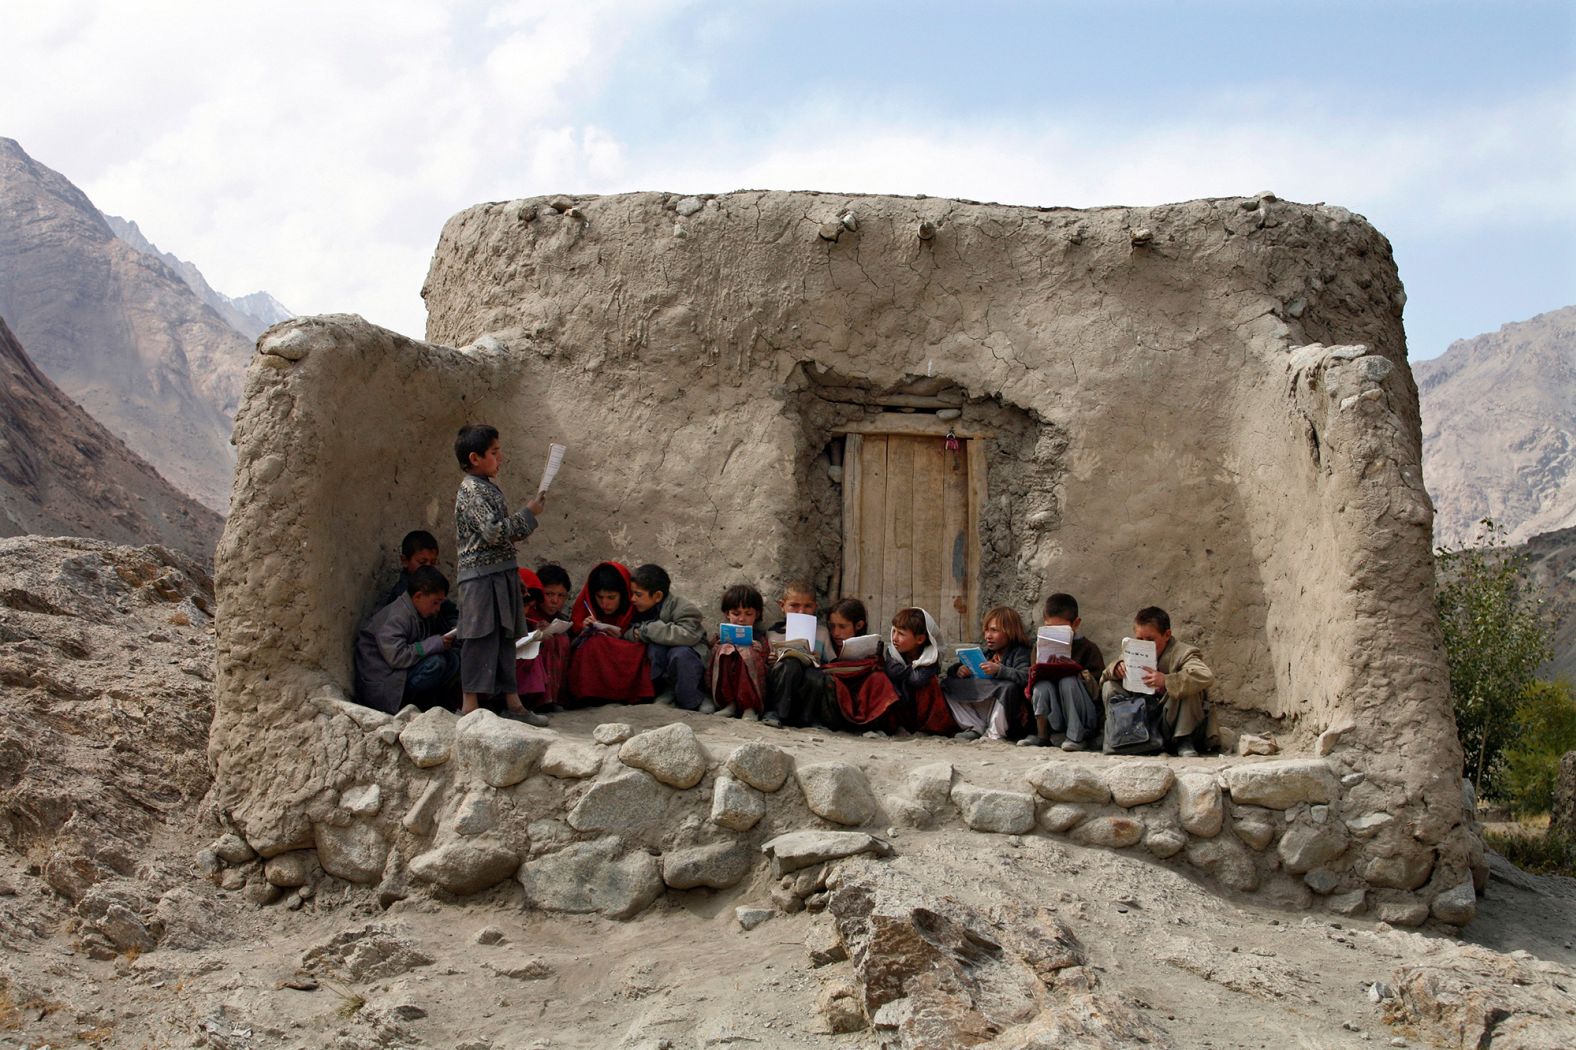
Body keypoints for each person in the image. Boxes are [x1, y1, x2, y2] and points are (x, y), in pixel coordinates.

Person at [452, 423, 548, 724]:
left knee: (506, 636)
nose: (500, 457)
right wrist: (528, 514)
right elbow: (494, 533)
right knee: (478, 637)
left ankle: (513, 703)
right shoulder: (471, 490)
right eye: (494, 452)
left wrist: (512, 574)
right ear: (475, 457)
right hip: (479, 578)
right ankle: (469, 706)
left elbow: (498, 540)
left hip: (498, 574)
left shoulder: (487, 487)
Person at [1101, 606, 1215, 757]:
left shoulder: (1183, 652)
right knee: (1110, 686)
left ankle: (1183, 739)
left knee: (1190, 687)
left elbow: (1205, 676)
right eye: (1140, 639)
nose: (1144, 644)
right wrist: (1116, 669)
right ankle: (1120, 735)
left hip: (1170, 719)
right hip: (1140, 718)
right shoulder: (1133, 650)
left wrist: (1166, 680)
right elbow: (1104, 676)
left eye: (1150, 640)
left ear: (1167, 635)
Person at [355, 565, 460, 713]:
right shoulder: (398, 616)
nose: (437, 609)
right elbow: (397, 656)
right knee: (435, 664)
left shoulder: (418, 612)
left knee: (452, 659)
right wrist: (434, 644)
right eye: (435, 602)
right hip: (383, 689)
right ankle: (413, 707)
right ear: (418, 596)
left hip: (398, 677)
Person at [1019, 593, 1106, 750]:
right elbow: (1033, 681)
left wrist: (1078, 672)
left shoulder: (1088, 649)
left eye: (1062, 629)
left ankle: (1076, 737)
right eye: (1051, 629)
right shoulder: (1039, 647)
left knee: (1068, 681)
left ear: (1076, 624)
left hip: (1083, 716)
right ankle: (1042, 735)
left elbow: (1098, 691)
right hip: (1056, 714)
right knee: (1041, 686)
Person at [566, 560, 654, 704]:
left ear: (624, 594)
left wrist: (623, 637)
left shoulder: (637, 608)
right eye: (599, 597)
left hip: (627, 655)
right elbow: (573, 640)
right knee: (593, 643)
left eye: (611, 597)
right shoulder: (587, 608)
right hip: (598, 655)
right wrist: (584, 629)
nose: (604, 604)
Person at [626, 563, 710, 711]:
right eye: (632, 593)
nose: (633, 598)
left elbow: (688, 635)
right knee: (654, 649)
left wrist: (647, 630)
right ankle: (664, 692)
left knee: (680, 654)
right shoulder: (636, 608)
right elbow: (628, 630)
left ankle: (695, 698)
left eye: (638, 594)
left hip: (688, 659)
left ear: (657, 596)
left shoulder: (684, 608)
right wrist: (634, 633)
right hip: (663, 662)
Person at [943, 606, 1031, 741]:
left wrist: (999, 670)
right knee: (947, 685)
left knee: (1008, 688)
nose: (988, 636)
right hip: (984, 708)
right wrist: (959, 670)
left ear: (1010, 631)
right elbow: (952, 672)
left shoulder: (1020, 652)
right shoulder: (987, 654)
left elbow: (1026, 677)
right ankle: (975, 726)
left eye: (994, 630)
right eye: (986, 630)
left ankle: (995, 733)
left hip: (1009, 714)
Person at [817, 597, 902, 731]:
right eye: (832, 626)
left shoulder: (870, 647)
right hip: (836, 703)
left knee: (879, 679)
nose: (835, 633)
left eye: (842, 626)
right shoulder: (826, 642)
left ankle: (872, 725)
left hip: (862, 695)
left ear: (859, 625)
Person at [763, 579, 834, 729]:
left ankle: (808, 719)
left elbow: (833, 665)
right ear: (782, 606)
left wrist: (819, 662)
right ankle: (776, 713)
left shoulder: (821, 633)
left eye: (807, 606)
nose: (801, 611)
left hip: (808, 689)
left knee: (816, 675)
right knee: (790, 665)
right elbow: (764, 668)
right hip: (782, 687)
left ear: (815, 607)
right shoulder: (773, 633)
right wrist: (771, 660)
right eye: (794, 606)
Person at [884, 607, 955, 734]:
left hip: (920, 709)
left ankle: (929, 728)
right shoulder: (892, 653)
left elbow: (918, 679)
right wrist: (911, 670)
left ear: (920, 639)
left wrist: (904, 672)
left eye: (900, 634)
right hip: (902, 705)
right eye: (894, 631)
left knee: (930, 683)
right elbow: (892, 671)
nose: (894, 638)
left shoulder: (930, 657)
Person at [707, 583, 771, 720]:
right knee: (724, 650)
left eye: (748, 614)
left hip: (751, 688)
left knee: (748, 654)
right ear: (727, 614)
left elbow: (766, 661)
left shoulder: (760, 638)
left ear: (757, 615)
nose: (741, 619)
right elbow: (710, 658)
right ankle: (729, 704)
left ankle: (749, 707)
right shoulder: (720, 637)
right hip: (727, 681)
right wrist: (718, 647)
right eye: (736, 614)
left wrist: (758, 651)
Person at [379, 529, 458, 633]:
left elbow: (449, 611)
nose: (429, 567)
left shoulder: (435, 587)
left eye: (433, 562)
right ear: (405, 561)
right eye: (422, 562)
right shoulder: (401, 595)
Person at [533, 562, 574, 711]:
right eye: (549, 594)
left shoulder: (562, 619)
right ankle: (540, 699)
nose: (555, 601)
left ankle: (556, 698)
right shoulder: (528, 615)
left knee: (562, 639)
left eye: (561, 595)